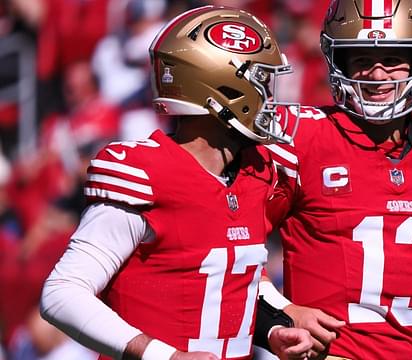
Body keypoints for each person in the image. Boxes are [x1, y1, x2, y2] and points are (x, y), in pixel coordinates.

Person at [40, 6, 313, 360]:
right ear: (220, 88)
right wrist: (164, 356)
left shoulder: (255, 170)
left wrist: (276, 328)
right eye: (258, 80)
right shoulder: (146, 172)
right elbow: (62, 293)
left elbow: (234, 277)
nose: (269, 97)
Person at [260, 1, 412, 358]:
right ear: (338, 63)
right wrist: (279, 315)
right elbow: (233, 246)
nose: (378, 76)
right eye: (362, 60)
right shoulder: (303, 138)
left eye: (392, 60)